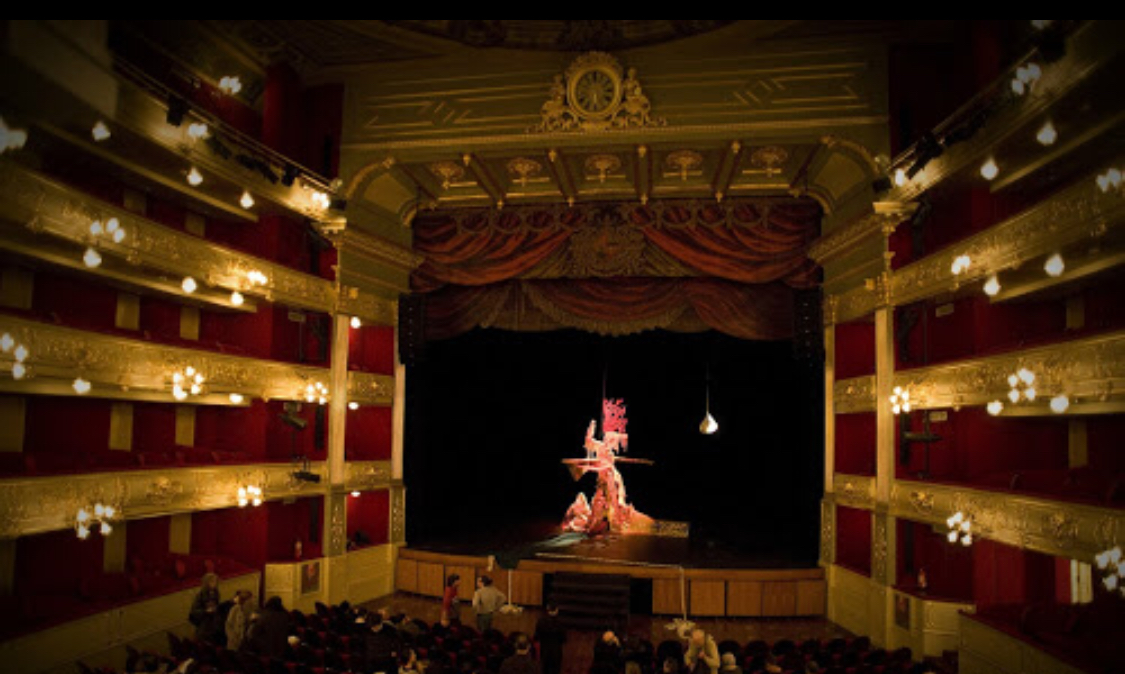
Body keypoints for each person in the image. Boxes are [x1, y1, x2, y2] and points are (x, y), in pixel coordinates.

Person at [188, 573, 222, 643]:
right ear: (206, 583)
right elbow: (194, 612)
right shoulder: (201, 595)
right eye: (212, 582)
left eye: (215, 581)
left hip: (214, 623)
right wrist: (206, 611)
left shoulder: (216, 593)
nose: (214, 584)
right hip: (204, 625)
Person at [533, 604, 566, 674]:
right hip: (556, 650)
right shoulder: (560, 623)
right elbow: (563, 638)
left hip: (544, 650)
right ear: (557, 610)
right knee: (555, 669)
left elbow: (536, 637)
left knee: (544, 669)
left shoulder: (541, 621)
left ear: (547, 610)